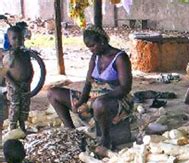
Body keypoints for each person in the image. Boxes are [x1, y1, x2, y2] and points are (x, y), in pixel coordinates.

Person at [47, 26, 133, 155]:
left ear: (102, 41)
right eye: (89, 47)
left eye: (93, 46)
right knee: (53, 93)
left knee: (99, 104)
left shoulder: (120, 57)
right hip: (94, 98)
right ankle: (71, 131)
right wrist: (81, 101)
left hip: (117, 99)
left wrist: (102, 98)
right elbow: (88, 82)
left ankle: (105, 137)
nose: (91, 50)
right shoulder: (95, 56)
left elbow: (125, 87)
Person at [2, 25, 33, 132]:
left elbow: (30, 68)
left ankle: (22, 126)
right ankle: (13, 128)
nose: (18, 41)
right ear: (9, 40)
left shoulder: (26, 54)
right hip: (14, 86)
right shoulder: (10, 55)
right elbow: (5, 73)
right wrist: (14, 85)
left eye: (20, 38)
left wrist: (29, 80)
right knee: (15, 106)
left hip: (25, 84)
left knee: (24, 107)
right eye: (14, 38)